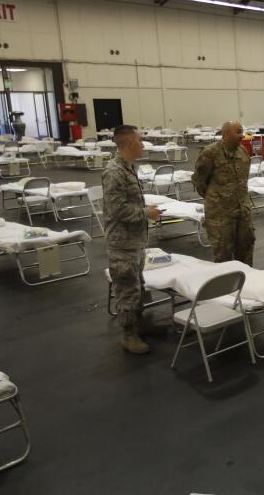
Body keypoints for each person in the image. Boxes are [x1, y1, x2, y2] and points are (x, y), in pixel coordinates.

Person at [102, 125, 161, 355]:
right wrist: (147, 213)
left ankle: (141, 324)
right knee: (127, 289)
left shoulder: (127, 168)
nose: (142, 144)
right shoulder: (114, 172)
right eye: (139, 140)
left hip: (134, 240)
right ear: (128, 144)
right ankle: (129, 335)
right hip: (122, 242)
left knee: (138, 286)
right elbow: (117, 210)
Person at [191, 120, 254, 265]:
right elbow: (199, 181)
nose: (242, 136)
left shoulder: (242, 152)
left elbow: (243, 181)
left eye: (242, 131)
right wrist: (216, 199)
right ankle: (226, 287)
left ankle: (247, 284)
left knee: (246, 251)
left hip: (242, 212)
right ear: (226, 134)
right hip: (221, 216)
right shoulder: (210, 153)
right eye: (238, 132)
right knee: (223, 255)